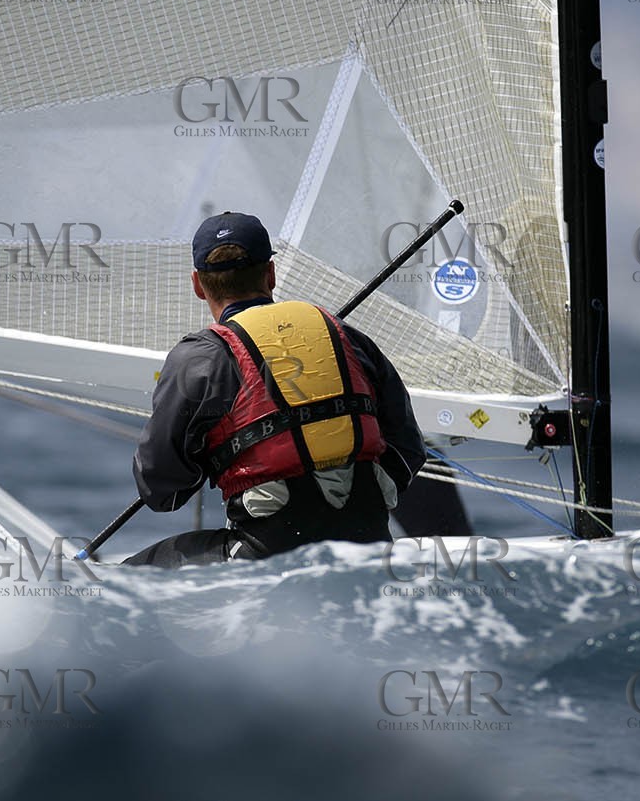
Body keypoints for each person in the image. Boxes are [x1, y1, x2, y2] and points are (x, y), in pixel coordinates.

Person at [125, 211, 427, 568]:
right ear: (270, 273)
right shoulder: (344, 334)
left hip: (267, 555)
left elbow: (162, 490)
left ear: (197, 285)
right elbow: (408, 449)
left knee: (131, 577)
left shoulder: (199, 357)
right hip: (369, 546)